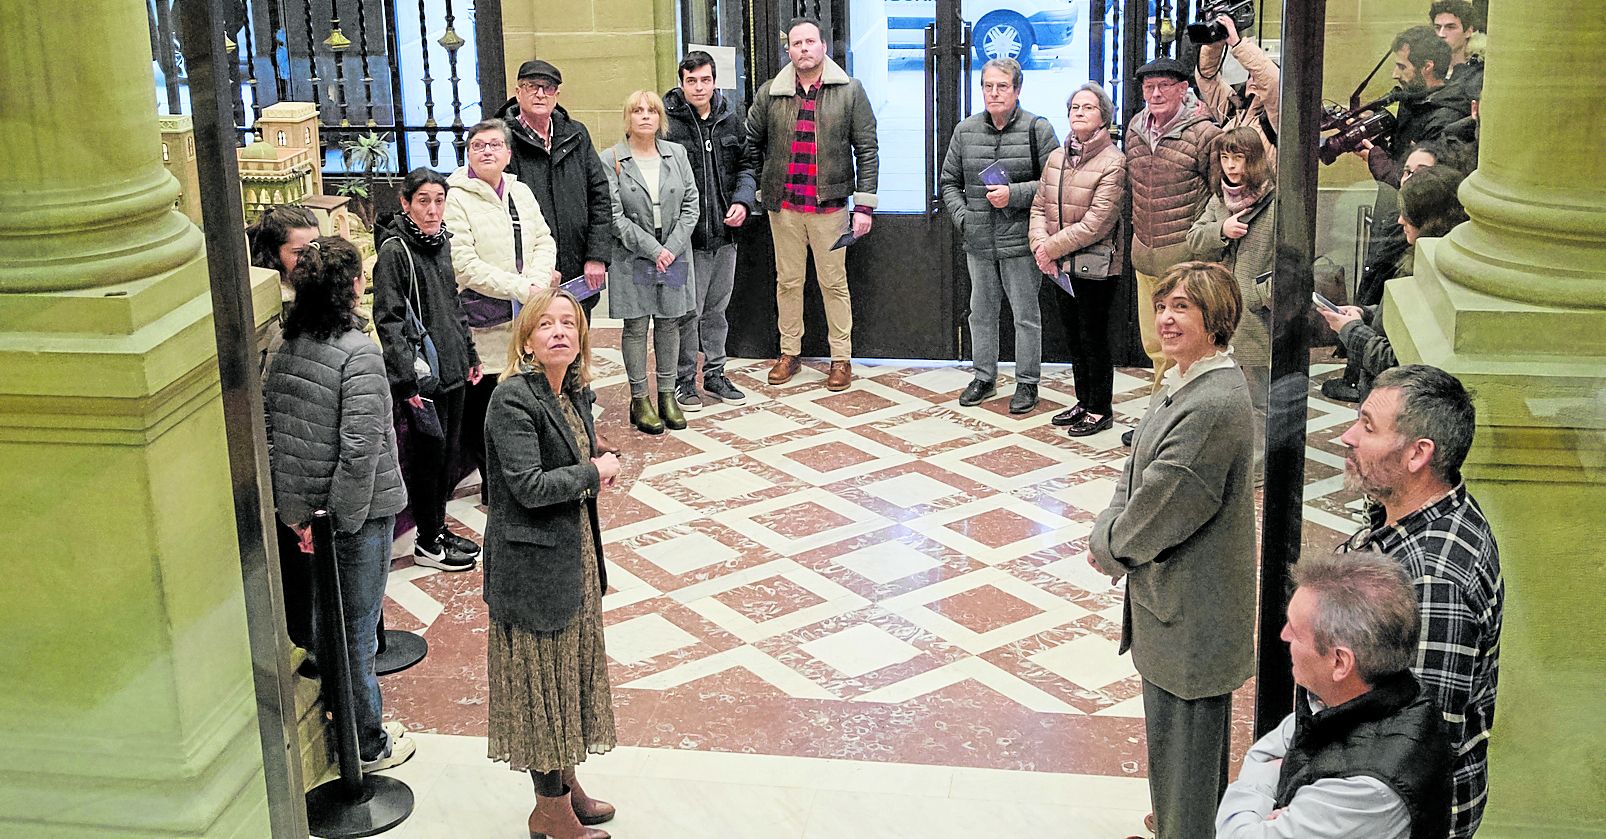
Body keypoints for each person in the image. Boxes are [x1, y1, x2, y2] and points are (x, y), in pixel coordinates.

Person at [1088, 261, 1257, 839]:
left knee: (1187, 757)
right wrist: (1112, 526)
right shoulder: (1182, 381)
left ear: (1217, 319)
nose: (1165, 318)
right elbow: (1136, 469)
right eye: (1162, 306)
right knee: (1176, 753)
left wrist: (1109, 546)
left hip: (1194, 611)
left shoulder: (1211, 403)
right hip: (1172, 606)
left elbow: (1163, 504)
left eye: (1182, 307)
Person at [262, 236, 415, 773]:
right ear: (352, 285)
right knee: (355, 634)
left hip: (305, 517)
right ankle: (366, 742)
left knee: (326, 625)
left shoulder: (284, 345)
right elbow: (360, 449)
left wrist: (297, 517)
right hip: (355, 517)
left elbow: (270, 434)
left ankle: (342, 729)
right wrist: (338, 523)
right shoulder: (359, 352)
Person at [1337, 364, 1504, 839]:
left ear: (1417, 454)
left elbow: (1417, 746)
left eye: (1368, 427)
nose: (1348, 436)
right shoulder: (1409, 515)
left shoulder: (1431, 581)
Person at [483, 288, 621, 839]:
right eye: (545, 324)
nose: (558, 331)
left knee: (569, 681)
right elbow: (529, 486)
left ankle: (566, 787)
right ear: (526, 341)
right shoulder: (512, 399)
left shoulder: (572, 392)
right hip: (533, 569)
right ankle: (550, 812)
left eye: (568, 322)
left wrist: (595, 459)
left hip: (573, 558)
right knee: (542, 690)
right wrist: (593, 471)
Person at [1215, 550, 1453, 838]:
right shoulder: (1366, 694)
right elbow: (1279, 743)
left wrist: (1262, 781)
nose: (1284, 635)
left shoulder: (1365, 791)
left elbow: (1237, 832)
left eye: (1296, 631)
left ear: (1340, 662)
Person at [744, 16, 879, 392]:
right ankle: (789, 353)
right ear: (788, 50)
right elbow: (751, 143)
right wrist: (758, 188)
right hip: (784, 209)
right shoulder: (771, 92)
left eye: (810, 42)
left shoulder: (850, 91)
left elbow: (867, 151)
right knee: (787, 283)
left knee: (833, 284)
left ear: (824, 46)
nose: (803, 49)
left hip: (830, 209)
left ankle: (841, 359)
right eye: (796, 43)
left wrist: (864, 206)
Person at [372, 167, 484, 572]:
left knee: (448, 456)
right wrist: (406, 381)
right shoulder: (395, 252)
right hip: (423, 377)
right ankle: (427, 542)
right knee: (429, 460)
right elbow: (388, 320)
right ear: (406, 203)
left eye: (439, 200)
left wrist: (470, 353)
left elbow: (453, 303)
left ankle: (438, 529)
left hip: (452, 368)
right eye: (423, 201)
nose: (433, 209)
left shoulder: (442, 242)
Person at [444, 118, 559, 498]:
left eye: (494, 145)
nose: (487, 151)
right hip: (485, 324)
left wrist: (537, 283)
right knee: (487, 409)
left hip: (525, 318)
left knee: (525, 400)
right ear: (468, 154)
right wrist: (523, 287)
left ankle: (526, 474)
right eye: (478, 146)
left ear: (508, 153)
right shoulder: (455, 197)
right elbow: (463, 264)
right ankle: (494, 484)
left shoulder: (520, 191)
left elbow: (543, 240)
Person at [940, 57, 1059, 414]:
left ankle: (1027, 382)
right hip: (978, 241)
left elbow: (1056, 183)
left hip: (1021, 241)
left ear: (1017, 90)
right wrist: (964, 218)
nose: (994, 93)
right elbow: (949, 182)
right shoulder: (965, 131)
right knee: (980, 313)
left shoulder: (1037, 129)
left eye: (1002, 86)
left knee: (1025, 315)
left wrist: (1014, 195)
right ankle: (983, 376)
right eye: (988, 86)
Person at [1028, 82, 1127, 438]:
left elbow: (1097, 223)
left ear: (1104, 117)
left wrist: (1049, 249)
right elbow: (1039, 207)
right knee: (1073, 338)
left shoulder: (1114, 161)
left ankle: (1100, 408)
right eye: (1074, 108)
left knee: (1093, 338)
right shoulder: (1057, 157)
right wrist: (1040, 246)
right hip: (1059, 266)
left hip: (1096, 267)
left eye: (1088, 107)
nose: (1079, 113)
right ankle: (1083, 401)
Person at [600, 90, 701, 435]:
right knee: (637, 325)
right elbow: (614, 216)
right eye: (638, 111)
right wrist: (653, 250)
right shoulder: (612, 158)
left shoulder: (677, 154)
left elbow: (691, 204)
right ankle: (640, 399)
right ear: (627, 118)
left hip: (673, 251)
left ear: (661, 118)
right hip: (633, 255)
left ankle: (667, 395)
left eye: (652, 110)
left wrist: (670, 248)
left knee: (670, 322)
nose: (645, 116)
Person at [663, 50, 758, 412]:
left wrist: (743, 201)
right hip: (686, 240)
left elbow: (747, 165)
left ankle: (715, 373)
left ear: (715, 82)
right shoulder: (668, 124)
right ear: (681, 83)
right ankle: (684, 380)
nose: (699, 87)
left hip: (725, 236)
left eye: (705, 80)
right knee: (688, 313)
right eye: (691, 81)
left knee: (717, 310)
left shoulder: (730, 119)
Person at [1321, 165, 1469, 398]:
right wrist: (1366, 314)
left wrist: (1352, 331)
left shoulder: (1438, 277)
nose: (1400, 220)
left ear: (1428, 220)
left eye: (1407, 214)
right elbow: (1400, 319)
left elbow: (1400, 362)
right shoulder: (1418, 260)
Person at [247, 204, 324, 651]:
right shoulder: (268, 309)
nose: (311, 259)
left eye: (317, 247)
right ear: (274, 255)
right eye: (300, 251)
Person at [1353, 26, 1472, 308]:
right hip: (1395, 217)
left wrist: (1375, 157)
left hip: (1412, 229)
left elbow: (1422, 185)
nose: (1395, 74)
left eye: (1402, 66)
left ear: (1427, 67)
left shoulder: (1445, 118)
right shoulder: (1415, 102)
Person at [1125, 58, 1223, 399]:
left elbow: (1219, 195)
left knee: (1183, 342)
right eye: (1149, 87)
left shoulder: (1205, 133)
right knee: (1154, 343)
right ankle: (1164, 405)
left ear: (1183, 89)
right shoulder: (1135, 129)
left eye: (1164, 86)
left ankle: (1169, 408)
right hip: (1144, 256)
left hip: (1185, 259)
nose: (1155, 94)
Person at [1186, 126, 1276, 479]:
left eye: (1238, 157)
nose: (1231, 166)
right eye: (1225, 157)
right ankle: (1229, 460)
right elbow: (1194, 238)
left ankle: (1256, 468)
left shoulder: (1275, 202)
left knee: (1256, 399)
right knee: (1222, 392)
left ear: (1254, 159)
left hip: (1254, 317)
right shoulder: (1220, 199)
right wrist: (1221, 231)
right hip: (1221, 314)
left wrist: (1258, 295)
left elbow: (1292, 261)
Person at [494, 60, 612, 319]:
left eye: (547, 88)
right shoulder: (500, 140)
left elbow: (600, 196)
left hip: (578, 267)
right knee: (536, 339)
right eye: (532, 86)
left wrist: (597, 255)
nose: (540, 94)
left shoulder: (576, 134)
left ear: (556, 95)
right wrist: (537, 268)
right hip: (528, 274)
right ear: (518, 92)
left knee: (575, 337)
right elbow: (497, 211)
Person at [1194, 13, 1280, 164]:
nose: (1254, 81)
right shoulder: (1233, 109)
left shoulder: (1278, 117)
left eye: (1259, 78)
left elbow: (1273, 81)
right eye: (1251, 76)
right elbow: (1206, 77)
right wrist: (1215, 42)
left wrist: (1237, 44)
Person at [1431, 0, 1485, 96]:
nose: (1441, 34)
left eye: (1450, 27)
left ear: (1468, 31)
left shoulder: (1479, 73)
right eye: (1437, 28)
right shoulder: (1427, 68)